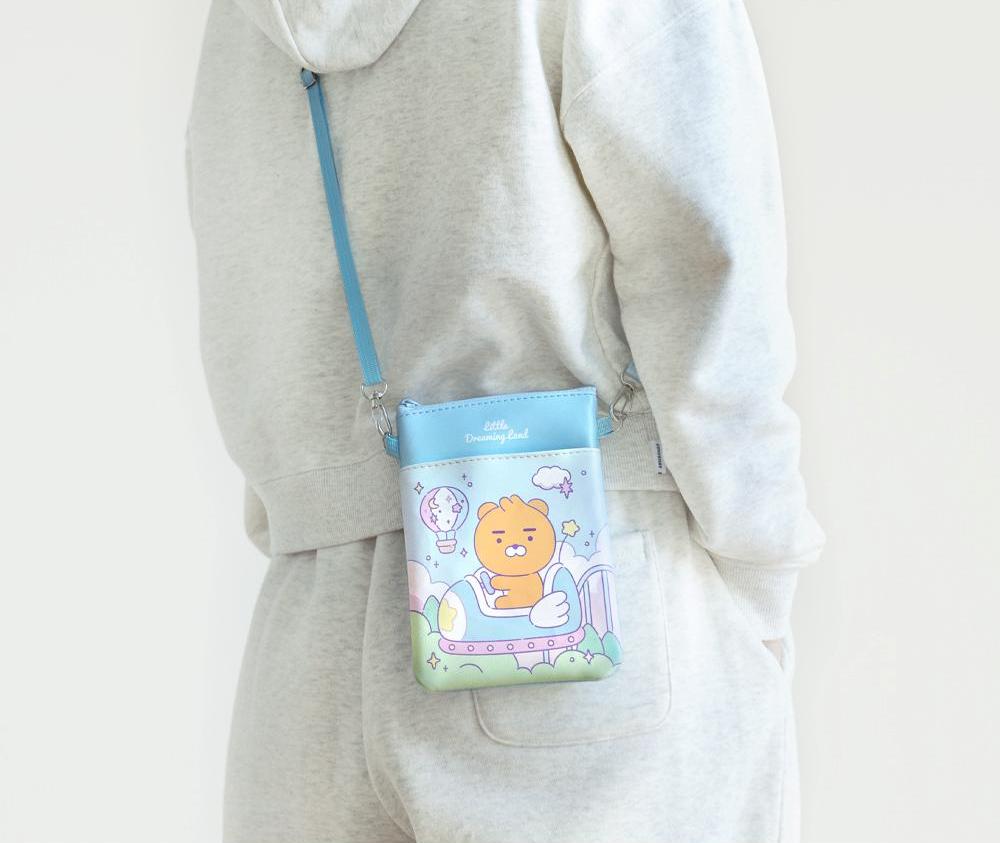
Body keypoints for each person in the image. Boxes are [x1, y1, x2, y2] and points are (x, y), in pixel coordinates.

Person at [185, 1, 825, 840]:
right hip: (591, 598)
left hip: (308, 654)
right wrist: (760, 577)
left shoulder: (239, 21)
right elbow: (710, 275)